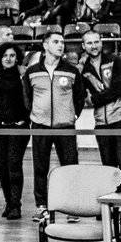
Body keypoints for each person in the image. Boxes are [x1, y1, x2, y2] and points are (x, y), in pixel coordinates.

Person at [23, 27, 86, 218]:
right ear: (45, 45)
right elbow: (26, 97)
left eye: (62, 42)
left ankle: (72, 207)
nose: (61, 45)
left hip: (65, 127)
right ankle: (42, 206)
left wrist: (73, 116)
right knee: (40, 167)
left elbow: (80, 97)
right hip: (40, 126)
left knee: (70, 166)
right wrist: (35, 115)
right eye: (56, 42)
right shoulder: (32, 71)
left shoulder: (71, 71)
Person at [0, 40, 30, 220]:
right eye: (5, 56)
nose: (8, 59)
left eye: (12, 55)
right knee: (2, 166)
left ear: (17, 57)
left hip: (19, 126)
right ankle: (9, 203)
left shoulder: (25, 74)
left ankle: (16, 205)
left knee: (14, 164)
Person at [78, 29, 121, 180]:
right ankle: (113, 195)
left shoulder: (115, 60)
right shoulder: (83, 69)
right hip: (101, 123)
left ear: (101, 43)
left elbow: (117, 90)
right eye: (89, 43)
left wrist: (94, 100)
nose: (94, 46)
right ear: (83, 46)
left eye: (96, 42)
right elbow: (81, 95)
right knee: (108, 168)